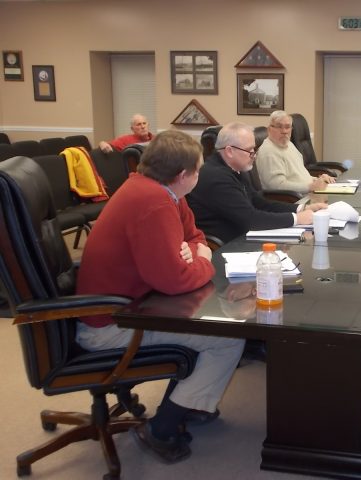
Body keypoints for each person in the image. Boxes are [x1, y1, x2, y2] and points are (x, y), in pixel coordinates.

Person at [75, 130, 245, 464]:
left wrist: (193, 250)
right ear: (183, 174)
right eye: (198, 170)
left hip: (135, 307)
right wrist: (203, 261)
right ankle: (161, 428)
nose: (200, 175)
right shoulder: (153, 202)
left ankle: (191, 404)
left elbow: (195, 235)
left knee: (209, 325)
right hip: (109, 325)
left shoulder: (164, 190)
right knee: (227, 338)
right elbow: (175, 280)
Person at [187, 122, 328, 244]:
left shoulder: (234, 169)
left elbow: (259, 203)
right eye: (249, 150)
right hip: (225, 247)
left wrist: (300, 209)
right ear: (229, 151)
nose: (254, 155)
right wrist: (296, 219)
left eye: (253, 149)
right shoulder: (216, 177)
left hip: (243, 238)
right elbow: (250, 219)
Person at [255, 110, 335, 193]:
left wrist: (319, 180)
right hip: (293, 198)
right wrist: (310, 187)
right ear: (269, 129)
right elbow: (277, 186)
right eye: (279, 127)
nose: (284, 131)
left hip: (306, 193)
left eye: (287, 127)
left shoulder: (289, 145)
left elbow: (299, 176)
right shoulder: (269, 152)